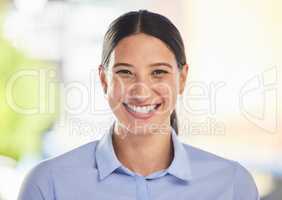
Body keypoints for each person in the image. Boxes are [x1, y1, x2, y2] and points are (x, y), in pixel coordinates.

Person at [18, 10, 260, 200]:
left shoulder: (232, 185)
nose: (141, 91)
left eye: (158, 72)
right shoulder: (49, 184)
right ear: (104, 80)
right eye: (125, 72)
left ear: (182, 78)